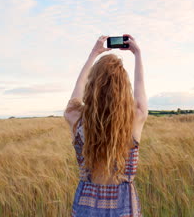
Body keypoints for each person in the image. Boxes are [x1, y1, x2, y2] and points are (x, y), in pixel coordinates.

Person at [63, 34, 148, 216]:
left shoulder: (75, 117)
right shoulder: (133, 119)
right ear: (124, 86)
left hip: (85, 205)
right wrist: (137, 54)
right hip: (124, 206)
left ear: (91, 85)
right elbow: (140, 104)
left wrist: (93, 55)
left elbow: (74, 101)